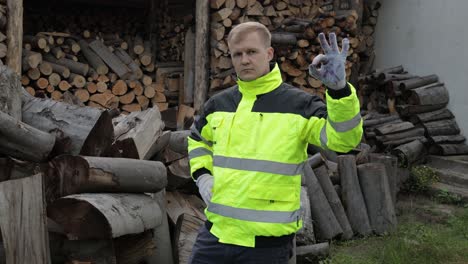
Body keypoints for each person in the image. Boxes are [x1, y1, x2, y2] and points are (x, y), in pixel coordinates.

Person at [187, 21, 362, 264]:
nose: (244, 60)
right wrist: (203, 175)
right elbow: (197, 140)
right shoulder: (218, 105)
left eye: (251, 52)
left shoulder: (298, 106)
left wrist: (340, 92)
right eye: (237, 54)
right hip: (217, 234)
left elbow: (343, 140)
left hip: (267, 244)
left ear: (269, 54)